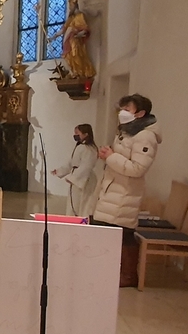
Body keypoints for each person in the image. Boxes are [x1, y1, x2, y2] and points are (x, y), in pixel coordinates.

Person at [92, 95, 161, 287]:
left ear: (140, 113)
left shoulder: (145, 136)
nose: (122, 112)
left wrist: (111, 157)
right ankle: (109, 270)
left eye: (127, 109)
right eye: (122, 108)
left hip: (125, 192)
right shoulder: (127, 131)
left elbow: (138, 168)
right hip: (113, 188)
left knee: (123, 233)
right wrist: (108, 154)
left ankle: (129, 275)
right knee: (106, 229)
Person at [51, 124, 99, 218]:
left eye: (77, 133)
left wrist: (74, 178)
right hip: (77, 177)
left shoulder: (90, 149)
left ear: (85, 134)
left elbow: (86, 166)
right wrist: (59, 171)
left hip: (84, 179)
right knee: (73, 203)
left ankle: (81, 220)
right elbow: (72, 163)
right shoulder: (80, 147)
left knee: (82, 203)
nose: (75, 135)